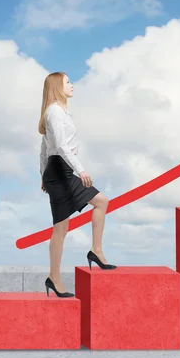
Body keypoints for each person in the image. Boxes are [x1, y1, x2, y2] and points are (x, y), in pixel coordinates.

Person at [38, 72, 116, 298]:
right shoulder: (54, 112)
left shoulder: (60, 112)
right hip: (61, 170)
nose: (72, 85)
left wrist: (43, 175)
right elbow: (58, 146)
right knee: (61, 229)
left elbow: (44, 149)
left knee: (100, 202)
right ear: (57, 86)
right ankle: (54, 278)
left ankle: (96, 251)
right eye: (68, 82)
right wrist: (80, 169)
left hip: (60, 170)